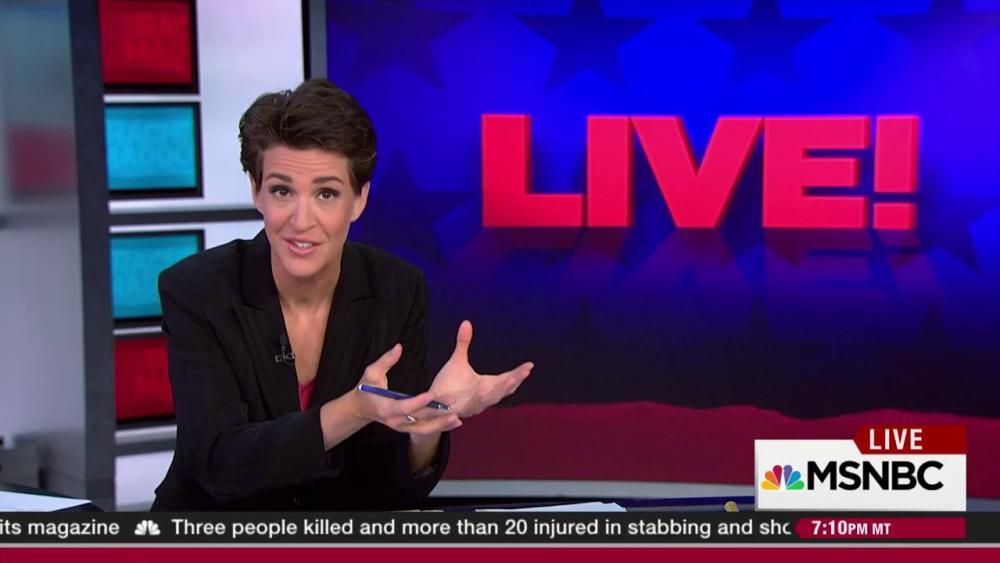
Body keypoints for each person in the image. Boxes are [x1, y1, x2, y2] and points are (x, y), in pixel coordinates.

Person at [150, 79, 533, 510]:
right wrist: (353, 410)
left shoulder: (396, 289)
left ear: (359, 199)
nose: (301, 220)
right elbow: (220, 465)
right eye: (282, 191)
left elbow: (392, 491)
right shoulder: (197, 291)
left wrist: (427, 421)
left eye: (326, 194)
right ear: (256, 190)